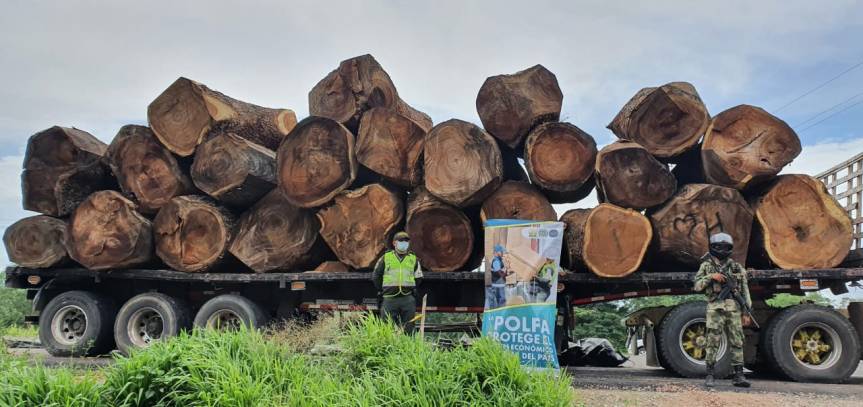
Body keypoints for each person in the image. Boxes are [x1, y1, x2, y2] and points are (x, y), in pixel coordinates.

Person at [693, 232, 752, 388]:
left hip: (734, 308)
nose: (722, 250)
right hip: (715, 306)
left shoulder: (736, 266)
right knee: (712, 340)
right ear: (713, 247)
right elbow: (697, 286)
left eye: (726, 247)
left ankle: (739, 375)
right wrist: (712, 276)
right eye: (719, 247)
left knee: (737, 341)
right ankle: (710, 375)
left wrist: (747, 311)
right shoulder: (706, 266)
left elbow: (745, 290)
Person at [372, 231, 423, 333]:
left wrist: (410, 287)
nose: (404, 243)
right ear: (394, 243)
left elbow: (418, 278)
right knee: (387, 329)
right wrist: (383, 289)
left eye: (406, 241)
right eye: (401, 241)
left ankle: (408, 347)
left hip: (407, 299)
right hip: (389, 299)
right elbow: (376, 276)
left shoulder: (413, 259)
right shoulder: (386, 258)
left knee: (409, 329)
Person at [486, 244, 510, 309]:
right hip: (498, 284)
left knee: (499, 299)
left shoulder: (499, 260)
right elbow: (500, 274)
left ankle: (499, 311)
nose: (502, 253)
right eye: (501, 251)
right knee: (501, 299)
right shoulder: (496, 261)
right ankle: (500, 313)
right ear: (496, 252)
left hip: (498, 283)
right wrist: (506, 272)